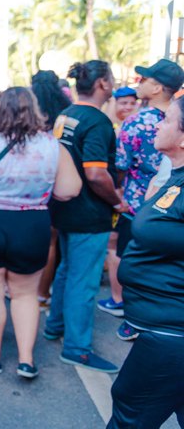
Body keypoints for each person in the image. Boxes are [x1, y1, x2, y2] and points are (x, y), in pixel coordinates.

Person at [0, 88, 81, 378]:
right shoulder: (53, 146)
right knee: (25, 295)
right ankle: (26, 360)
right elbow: (69, 189)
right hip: (32, 225)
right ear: (35, 110)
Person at [45, 60, 127, 374]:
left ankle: (55, 325)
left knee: (67, 270)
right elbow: (95, 173)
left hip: (64, 208)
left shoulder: (66, 114)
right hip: (89, 212)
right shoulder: (98, 122)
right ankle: (77, 348)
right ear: (103, 84)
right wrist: (117, 201)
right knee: (84, 280)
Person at [108, 96, 184, 428]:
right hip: (162, 329)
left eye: (166, 120)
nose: (156, 124)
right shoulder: (174, 178)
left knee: (130, 415)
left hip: (171, 333)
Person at [100, 59, 184, 341]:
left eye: (145, 79)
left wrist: (120, 192)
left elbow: (121, 163)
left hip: (138, 205)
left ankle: (124, 305)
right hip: (172, 204)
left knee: (128, 254)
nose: (141, 83)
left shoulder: (137, 121)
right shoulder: (170, 117)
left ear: (158, 87)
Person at [30, 69, 73, 309]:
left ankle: (21, 285)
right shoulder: (65, 106)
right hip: (57, 171)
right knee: (52, 242)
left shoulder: (29, 103)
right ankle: (42, 293)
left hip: (34, 176)